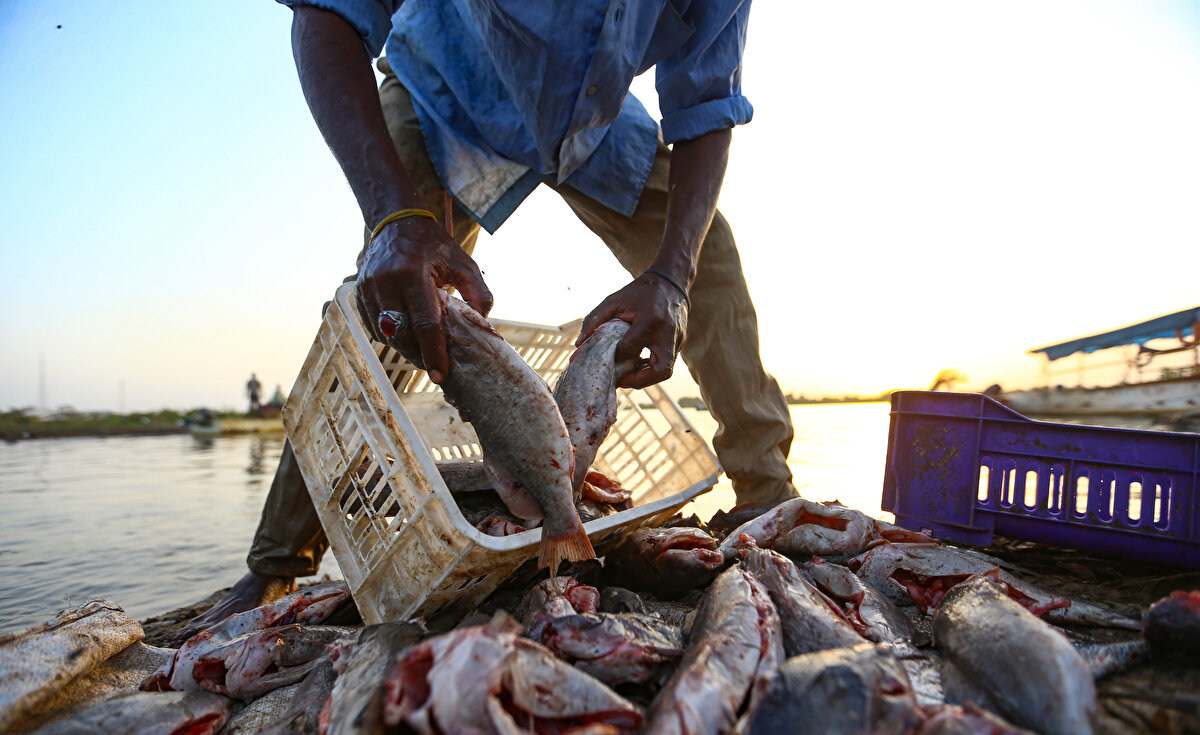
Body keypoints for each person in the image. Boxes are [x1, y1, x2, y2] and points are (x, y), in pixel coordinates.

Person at [175, 0, 797, 640]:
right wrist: (395, 215)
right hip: (442, 96)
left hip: (584, 122)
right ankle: (276, 561)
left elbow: (704, 105)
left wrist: (670, 275)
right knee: (393, 313)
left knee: (701, 254)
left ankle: (768, 495)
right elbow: (327, 14)